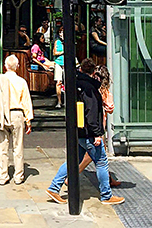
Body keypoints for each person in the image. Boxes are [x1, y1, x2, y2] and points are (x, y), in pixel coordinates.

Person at [46, 59, 124, 206]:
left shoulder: (75, 84)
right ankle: (106, 195)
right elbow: (92, 113)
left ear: (81, 70)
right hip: (89, 132)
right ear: (94, 72)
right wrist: (97, 134)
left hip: (78, 130)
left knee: (73, 161)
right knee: (101, 162)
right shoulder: (90, 89)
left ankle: (54, 187)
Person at [0, 54, 33, 185]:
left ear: (5, 66)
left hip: (1, 115)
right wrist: (28, 120)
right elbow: (26, 102)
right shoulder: (21, 81)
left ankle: (3, 175)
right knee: (18, 146)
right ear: (17, 67)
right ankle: (18, 176)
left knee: (2, 146)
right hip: (17, 114)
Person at [78, 65, 121, 188]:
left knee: (100, 156)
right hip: (97, 128)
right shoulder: (103, 92)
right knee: (95, 156)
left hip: (89, 127)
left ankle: (108, 179)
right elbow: (110, 107)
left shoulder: (89, 89)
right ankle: (71, 177)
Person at [31, 32, 63, 109]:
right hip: (41, 63)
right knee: (55, 66)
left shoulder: (40, 47)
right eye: (42, 38)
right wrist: (43, 65)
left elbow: (42, 57)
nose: (44, 39)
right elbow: (34, 58)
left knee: (54, 64)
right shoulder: (35, 47)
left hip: (43, 61)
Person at [52, 26, 65, 109]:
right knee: (58, 82)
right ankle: (59, 101)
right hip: (58, 63)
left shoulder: (69, 41)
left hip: (66, 63)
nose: (61, 34)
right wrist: (63, 52)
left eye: (62, 32)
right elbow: (54, 53)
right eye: (60, 32)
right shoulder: (57, 42)